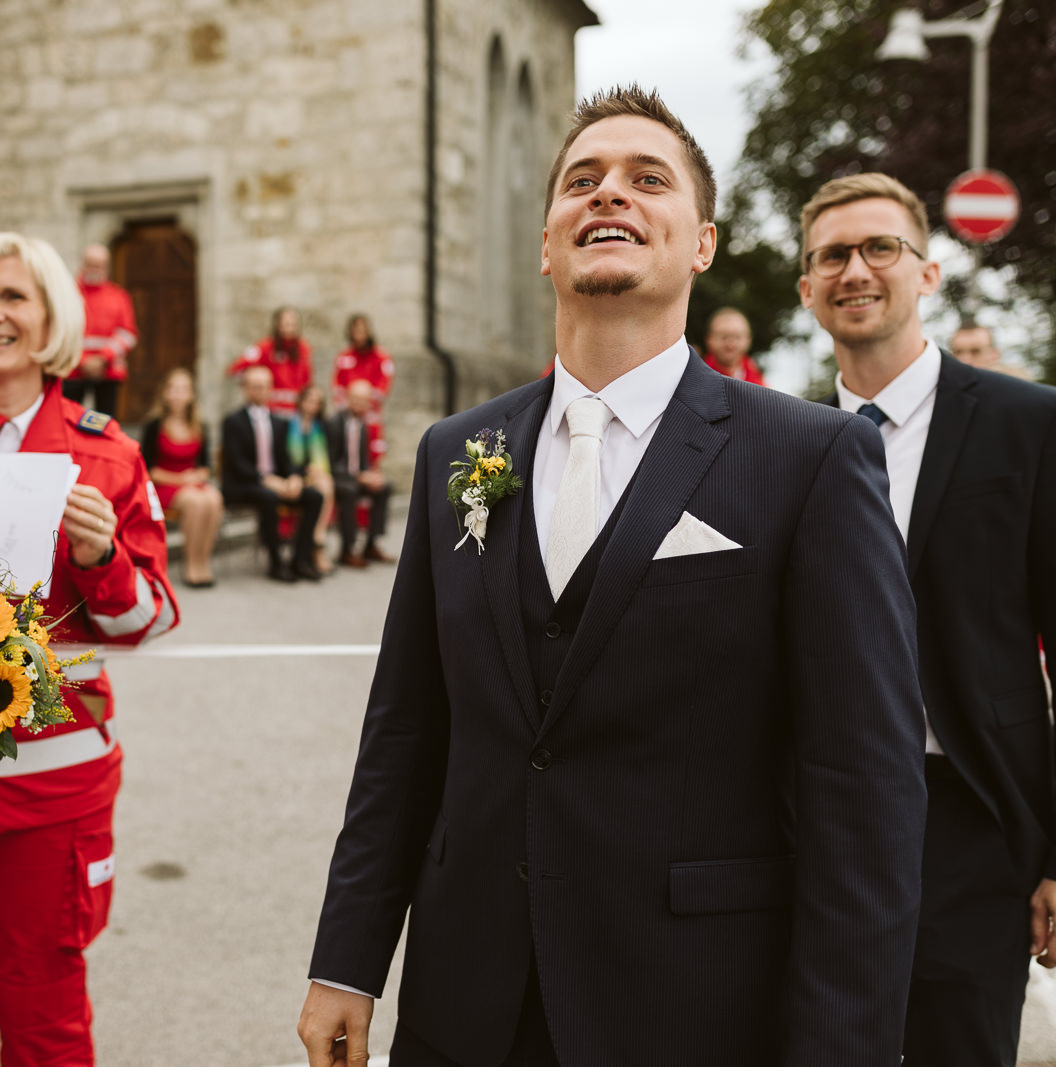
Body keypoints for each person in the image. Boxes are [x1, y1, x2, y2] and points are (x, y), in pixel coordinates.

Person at [299, 86, 927, 1067]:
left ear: (702, 242)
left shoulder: (810, 459)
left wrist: (844, 1042)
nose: (610, 195)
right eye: (582, 180)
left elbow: (865, 785)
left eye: (648, 179)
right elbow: (407, 728)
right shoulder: (457, 452)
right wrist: (347, 958)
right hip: (466, 1003)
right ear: (547, 242)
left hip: (691, 1005)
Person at [0, 231, 178, 1067]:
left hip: (53, 789)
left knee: (46, 1021)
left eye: (14, 297)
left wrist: (104, 562)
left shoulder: (106, 451)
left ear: (52, 315)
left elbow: (153, 618)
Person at [799, 172, 1056, 1067]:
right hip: (816, 820)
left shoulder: (1028, 424)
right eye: (832, 254)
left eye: (881, 248)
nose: (856, 269)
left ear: (928, 271)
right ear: (808, 287)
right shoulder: (783, 438)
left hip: (971, 816)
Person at [222, 365, 325, 583]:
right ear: (246, 389)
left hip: (276, 482)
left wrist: (295, 478)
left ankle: (300, 558)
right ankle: (276, 563)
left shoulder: (280, 422)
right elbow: (237, 463)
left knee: (315, 496)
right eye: (255, 387)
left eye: (265, 387)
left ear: (271, 389)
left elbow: (288, 459)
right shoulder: (232, 421)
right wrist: (268, 481)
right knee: (268, 497)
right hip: (244, 484)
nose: (261, 391)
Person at [140, 367, 223, 588]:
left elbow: (206, 467)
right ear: (165, 393)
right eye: (173, 389)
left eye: (183, 389)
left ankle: (203, 561)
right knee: (195, 501)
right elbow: (147, 469)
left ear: (191, 395)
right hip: (164, 485)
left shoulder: (200, 425)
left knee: (214, 498)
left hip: (192, 483)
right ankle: (191, 565)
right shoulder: (154, 426)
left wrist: (197, 476)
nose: (177, 394)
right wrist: (182, 480)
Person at [62, 243, 137, 417]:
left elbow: (128, 334)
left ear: (107, 267)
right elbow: (61, 330)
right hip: (73, 369)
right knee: (68, 417)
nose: (95, 269)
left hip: (108, 371)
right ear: (83, 264)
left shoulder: (118, 296)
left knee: (104, 422)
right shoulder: (68, 295)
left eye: (100, 265)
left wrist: (103, 357)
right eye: (91, 264)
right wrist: (83, 360)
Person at [327, 379, 394, 568]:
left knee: (383, 487)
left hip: (357, 477)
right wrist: (358, 477)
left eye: (363, 400)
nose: (358, 403)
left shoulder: (364, 426)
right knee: (349, 491)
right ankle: (347, 549)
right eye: (355, 398)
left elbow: (363, 460)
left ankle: (371, 543)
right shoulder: (334, 422)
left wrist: (370, 474)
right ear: (347, 398)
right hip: (339, 478)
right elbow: (331, 462)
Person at [332, 312, 395, 465]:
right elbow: (337, 386)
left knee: (374, 445)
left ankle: (373, 471)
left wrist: (365, 401)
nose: (358, 335)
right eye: (355, 331)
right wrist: (349, 403)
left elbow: (383, 386)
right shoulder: (344, 357)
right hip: (349, 411)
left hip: (371, 412)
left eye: (362, 330)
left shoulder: (381, 357)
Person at [228, 306, 312, 417]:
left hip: (295, 412)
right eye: (286, 324)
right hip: (271, 411)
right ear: (277, 325)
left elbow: (307, 380)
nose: (289, 328)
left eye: (293, 324)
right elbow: (237, 368)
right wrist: (254, 385)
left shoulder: (304, 349)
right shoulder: (265, 347)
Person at [290, 383, 337, 575]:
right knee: (325, 485)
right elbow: (286, 457)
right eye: (309, 400)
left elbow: (324, 457)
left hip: (316, 474)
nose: (312, 406)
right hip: (295, 474)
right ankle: (318, 542)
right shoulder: (289, 424)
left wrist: (315, 471)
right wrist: (303, 472)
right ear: (301, 401)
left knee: (325, 484)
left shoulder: (321, 427)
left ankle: (317, 538)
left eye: (317, 403)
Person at [701, 306, 768, 385]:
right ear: (709, 340)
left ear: (748, 340)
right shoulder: (695, 378)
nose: (730, 344)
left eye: (737, 337)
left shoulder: (760, 384)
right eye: (724, 337)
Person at [951, 323, 1033, 380]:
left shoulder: (1016, 385)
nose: (965, 360)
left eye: (975, 352)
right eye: (958, 352)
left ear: (995, 355)